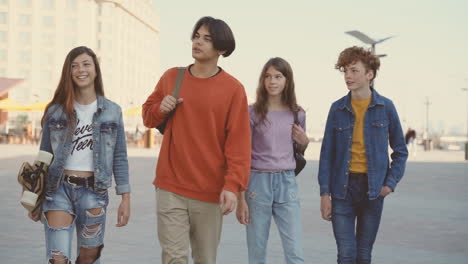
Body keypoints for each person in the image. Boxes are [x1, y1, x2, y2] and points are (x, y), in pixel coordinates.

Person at [142, 16, 251, 264]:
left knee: (205, 259)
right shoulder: (172, 77)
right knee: (174, 258)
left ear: (221, 48)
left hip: (211, 192)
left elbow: (239, 144)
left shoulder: (234, 89)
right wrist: (161, 107)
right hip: (170, 186)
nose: (198, 42)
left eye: (207, 39)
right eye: (196, 36)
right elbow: (148, 117)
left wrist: (232, 186)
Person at [33, 46, 131, 264]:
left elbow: (120, 157)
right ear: (68, 72)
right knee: (58, 259)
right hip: (58, 190)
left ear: (95, 69)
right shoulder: (55, 111)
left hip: (94, 191)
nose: (80, 70)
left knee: (88, 258)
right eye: (74, 66)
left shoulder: (112, 111)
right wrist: (35, 197)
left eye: (86, 64)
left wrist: (125, 197)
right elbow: (44, 155)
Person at [318, 46, 408, 264]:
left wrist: (389, 184)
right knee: (346, 254)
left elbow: (400, 150)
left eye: (354, 70)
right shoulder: (337, 109)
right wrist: (324, 194)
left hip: (373, 190)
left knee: (363, 254)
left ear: (370, 74)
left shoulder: (386, 107)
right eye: (345, 71)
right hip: (342, 190)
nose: (348, 76)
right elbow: (327, 154)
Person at [236, 57, 309, 264]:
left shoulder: (297, 113)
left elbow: (298, 149)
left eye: (278, 76)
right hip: (257, 184)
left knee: (295, 251)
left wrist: (305, 142)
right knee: (257, 251)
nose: (272, 81)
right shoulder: (252, 112)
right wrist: (241, 199)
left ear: (287, 80)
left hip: (287, 182)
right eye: (267, 76)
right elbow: (242, 155)